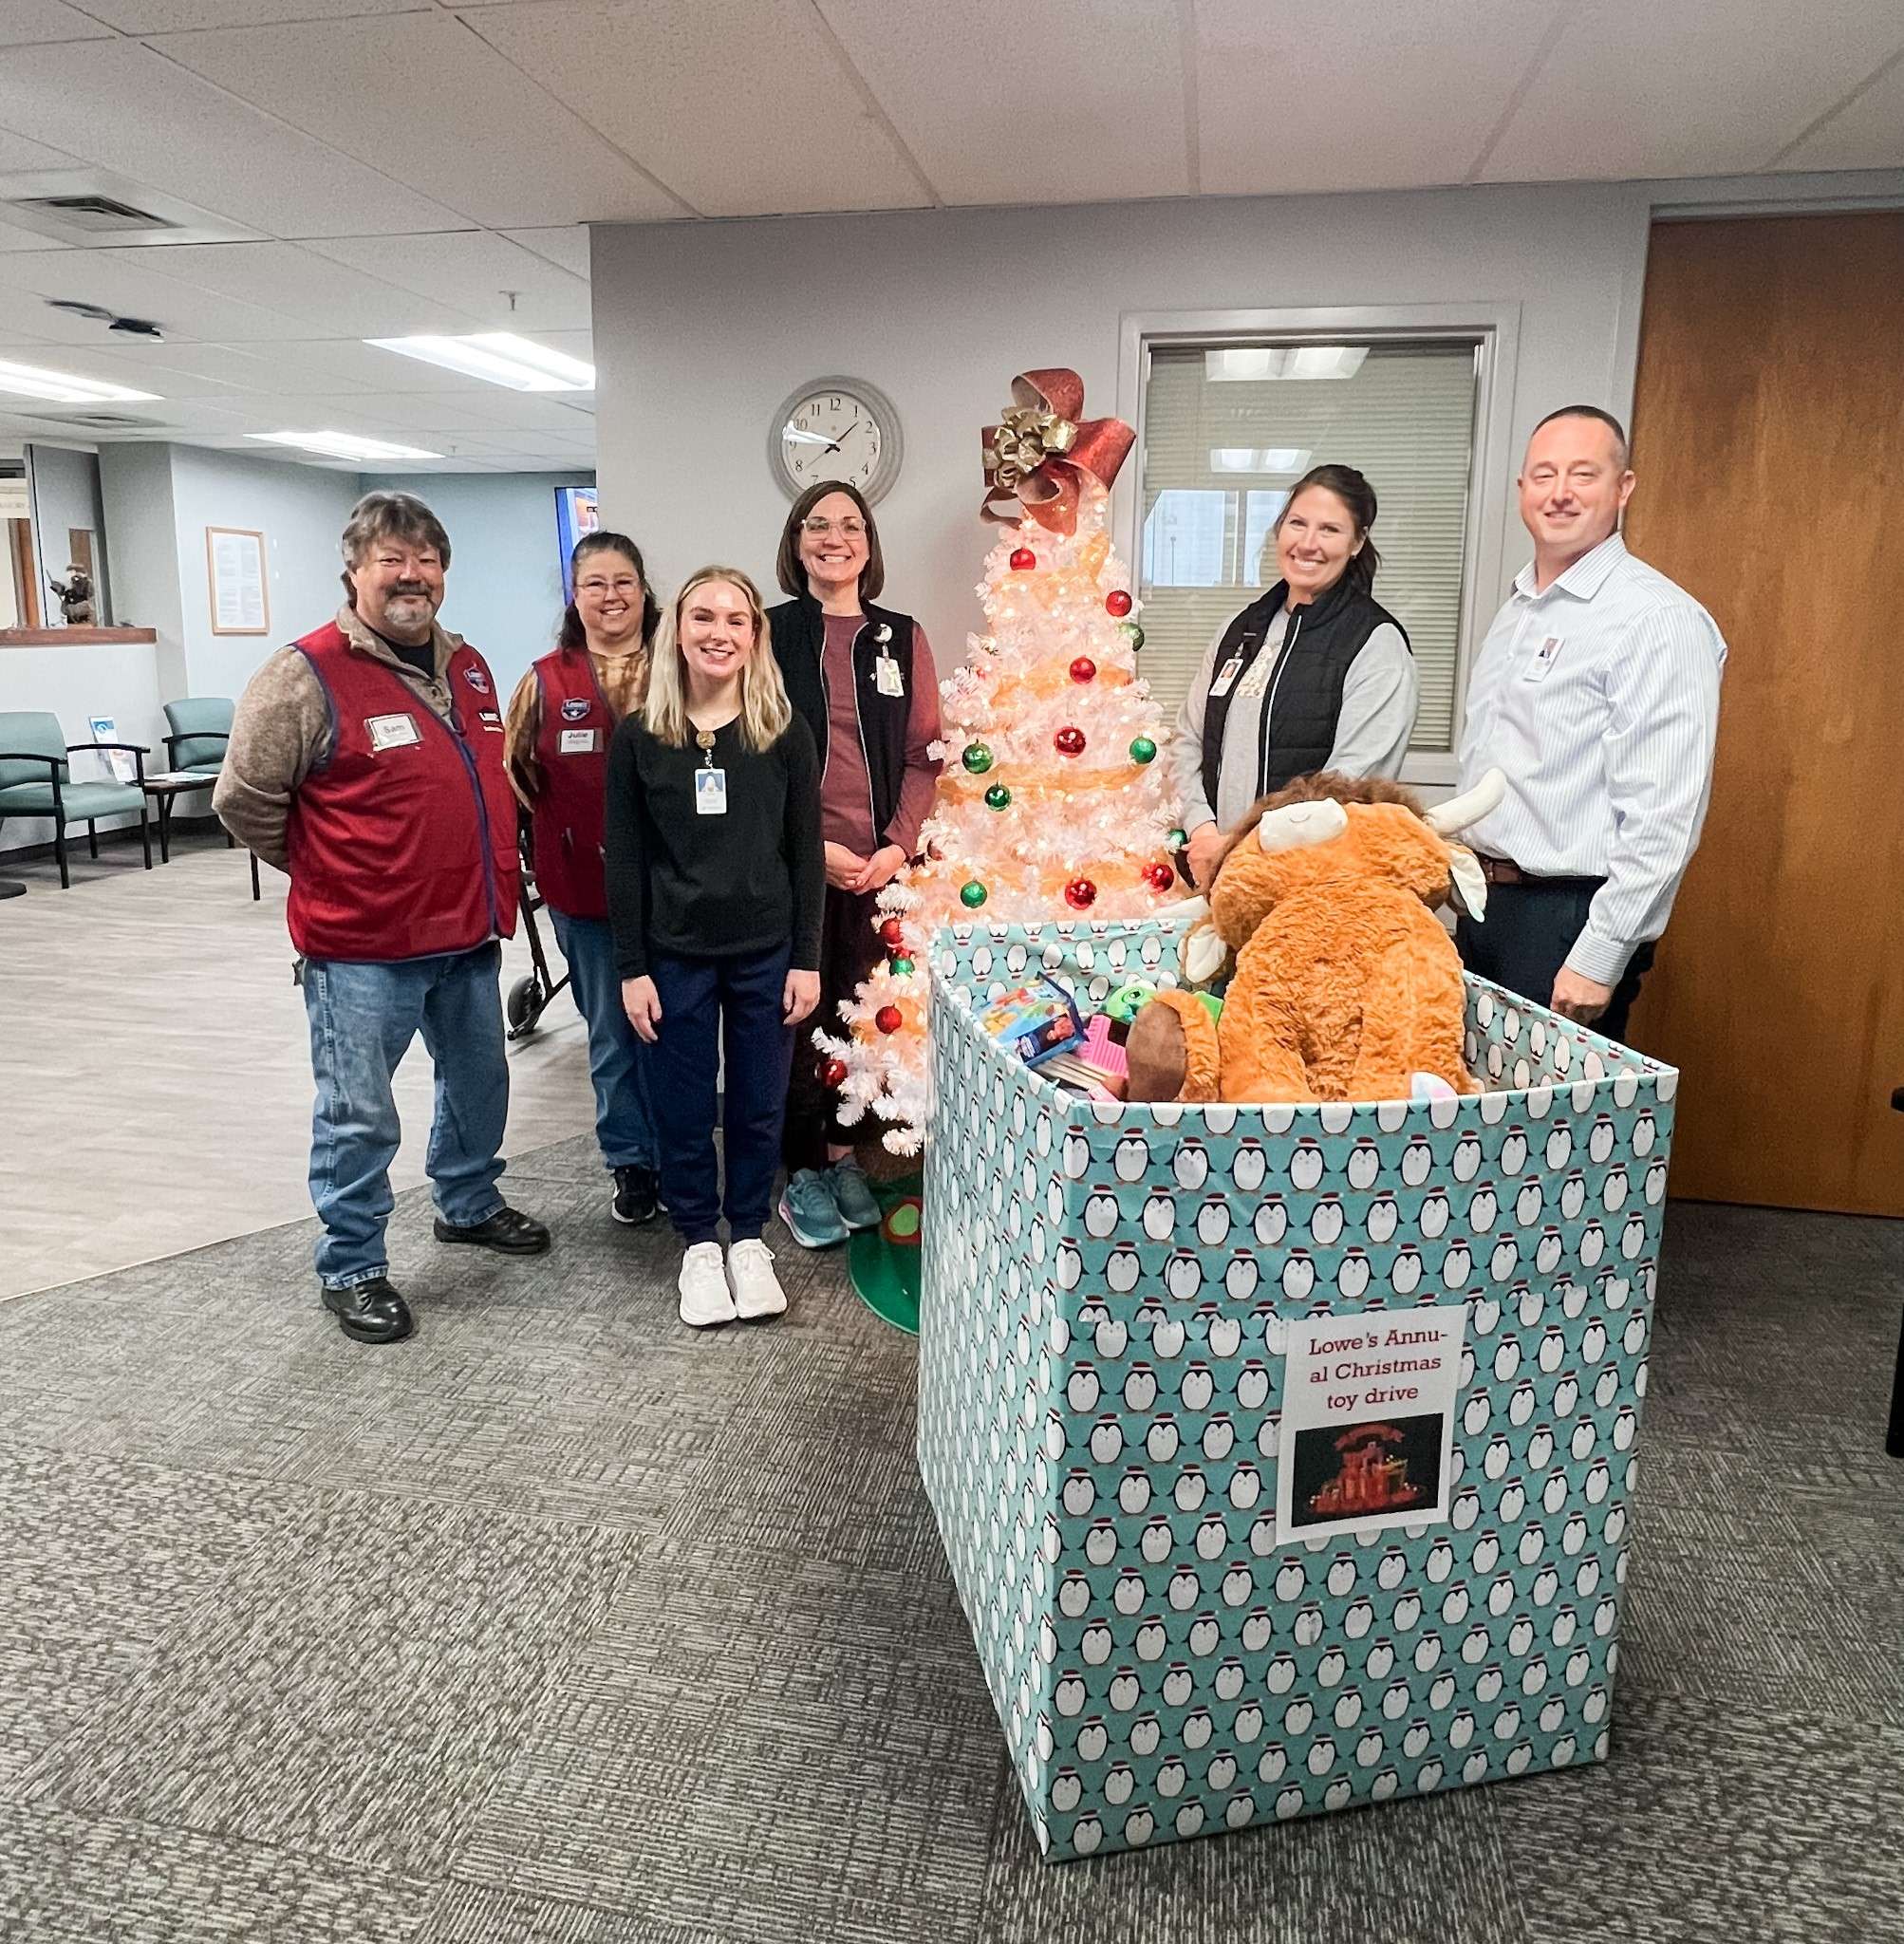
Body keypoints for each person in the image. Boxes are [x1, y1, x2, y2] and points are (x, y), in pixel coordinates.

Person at [215, 491, 550, 1348]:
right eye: (390, 559)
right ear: (354, 571)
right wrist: (334, 871)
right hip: (362, 949)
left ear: (443, 572)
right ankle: (353, 1264)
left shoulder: (468, 664)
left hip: (468, 935)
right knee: (359, 1112)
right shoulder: (305, 674)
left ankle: (467, 1203)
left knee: (479, 1084)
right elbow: (245, 801)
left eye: (426, 560)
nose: (411, 575)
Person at [1452, 405, 1726, 1042]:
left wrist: (1600, 954)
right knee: (1478, 1123)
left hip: (1567, 921)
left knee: (1552, 1136)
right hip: (1486, 910)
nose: (1560, 493)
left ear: (1623, 487)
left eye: (1583, 474)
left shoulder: (1656, 618)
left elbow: (1667, 814)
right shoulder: (1521, 609)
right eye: (1544, 475)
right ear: (1522, 489)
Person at [605, 567, 823, 1328]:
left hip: (767, 953)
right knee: (683, 1105)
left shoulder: (782, 732)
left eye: (736, 619)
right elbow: (625, 861)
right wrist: (631, 969)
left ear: (754, 635)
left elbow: (806, 855)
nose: (718, 632)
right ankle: (700, 1243)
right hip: (673, 956)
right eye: (703, 617)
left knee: (760, 1105)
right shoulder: (640, 738)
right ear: (678, 630)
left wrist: (807, 957)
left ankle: (748, 1240)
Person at [765, 479, 942, 1248]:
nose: (833, 537)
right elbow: (750, 761)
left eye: (849, 525)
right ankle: (799, 1171)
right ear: (796, 542)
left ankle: (842, 1158)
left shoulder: (900, 638)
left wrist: (897, 847)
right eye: (816, 525)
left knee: (857, 1014)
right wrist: (813, 850)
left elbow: (924, 757)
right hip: (790, 867)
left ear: (868, 544)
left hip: (880, 869)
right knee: (793, 1018)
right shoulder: (766, 634)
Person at [505, 532, 663, 1226]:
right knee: (612, 1034)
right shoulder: (543, 682)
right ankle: (630, 1161)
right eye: (595, 583)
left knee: (678, 1029)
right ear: (575, 595)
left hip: (678, 891)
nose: (611, 596)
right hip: (587, 893)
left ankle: (679, 1152)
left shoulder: (682, 666)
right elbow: (515, 780)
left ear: (644, 590)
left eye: (623, 581)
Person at [1171, 463, 1418, 890]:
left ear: (1357, 542)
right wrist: (1204, 832)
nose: (1308, 543)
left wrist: (1240, 847)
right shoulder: (1239, 630)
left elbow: (1350, 784)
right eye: (1297, 523)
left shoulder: (1375, 643)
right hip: (1216, 874)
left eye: (1329, 530)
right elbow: (1187, 739)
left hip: (1311, 885)